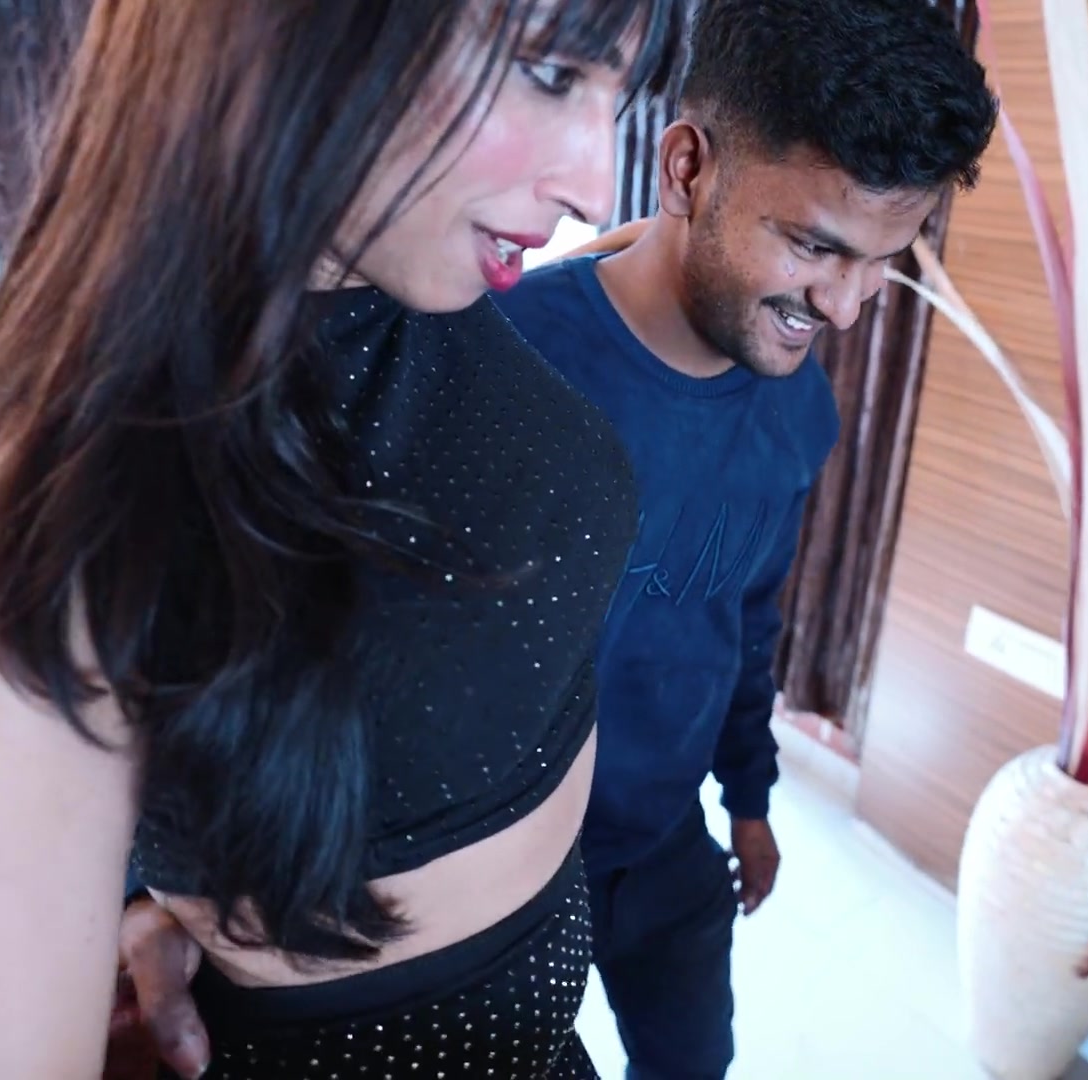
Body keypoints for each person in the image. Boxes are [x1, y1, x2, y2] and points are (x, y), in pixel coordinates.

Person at [116, 1, 997, 1076]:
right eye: (817, 247)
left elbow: (743, 621)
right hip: (493, 901)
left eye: (882, 264)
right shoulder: (481, 346)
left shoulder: (801, 410)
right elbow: (209, 609)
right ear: (686, 169)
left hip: (665, 847)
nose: (848, 307)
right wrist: (145, 884)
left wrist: (750, 796)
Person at [0, 1, 685, 1076]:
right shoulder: (25, 562)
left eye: (619, 92)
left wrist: (143, 872)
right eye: (550, 74)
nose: (596, 187)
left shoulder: (420, 266)